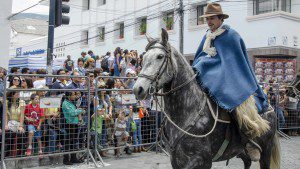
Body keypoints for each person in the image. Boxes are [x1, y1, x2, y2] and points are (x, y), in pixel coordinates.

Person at [192, 3, 270, 161]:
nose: (209, 22)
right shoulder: (207, 36)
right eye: (207, 19)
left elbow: (235, 62)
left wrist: (212, 65)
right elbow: (200, 57)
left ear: (220, 18)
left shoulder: (231, 36)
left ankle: (249, 140)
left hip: (230, 78)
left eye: (212, 18)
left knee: (237, 104)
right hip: (210, 78)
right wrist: (202, 65)